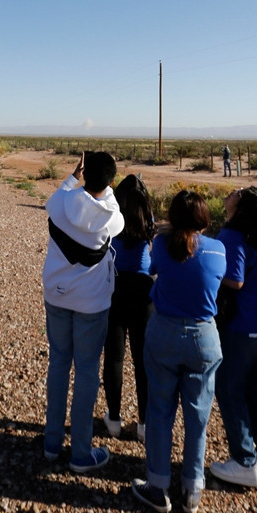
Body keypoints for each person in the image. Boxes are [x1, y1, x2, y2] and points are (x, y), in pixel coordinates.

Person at [132, 190, 225, 513]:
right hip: (203, 337)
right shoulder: (218, 249)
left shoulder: (161, 244)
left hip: (163, 332)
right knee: (197, 417)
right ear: (204, 218)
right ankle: (192, 488)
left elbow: (153, 266)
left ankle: (157, 486)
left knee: (159, 410)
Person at [42, 150, 123, 473]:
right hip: (92, 303)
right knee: (87, 371)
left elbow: (60, 194)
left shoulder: (61, 202)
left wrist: (75, 177)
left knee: (58, 363)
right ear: (111, 180)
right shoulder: (112, 218)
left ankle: (51, 443)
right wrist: (103, 181)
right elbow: (111, 200)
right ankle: (81, 451)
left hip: (56, 296)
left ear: (84, 173)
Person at [209, 186, 257, 487]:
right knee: (253, 390)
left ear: (239, 207)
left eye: (238, 193)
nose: (232, 192)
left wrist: (206, 269)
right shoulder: (251, 232)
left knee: (228, 389)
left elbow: (235, 281)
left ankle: (244, 461)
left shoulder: (231, 236)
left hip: (242, 325)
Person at [101, 174, 154, 442]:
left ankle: (113, 418)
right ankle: (145, 423)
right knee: (143, 361)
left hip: (115, 288)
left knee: (114, 357)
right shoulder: (148, 219)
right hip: (144, 291)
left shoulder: (112, 219)